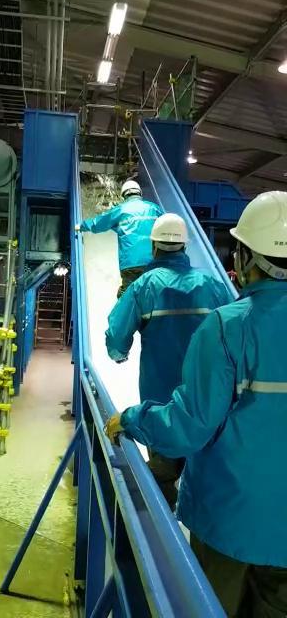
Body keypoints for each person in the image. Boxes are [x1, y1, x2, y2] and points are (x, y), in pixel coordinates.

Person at [105, 190, 287, 617]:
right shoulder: (213, 291)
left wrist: (133, 418)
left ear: (244, 257)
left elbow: (191, 424)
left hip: (230, 518)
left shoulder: (230, 325)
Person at [105, 213, 231, 509]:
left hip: (159, 403)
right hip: (207, 403)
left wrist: (119, 354)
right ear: (186, 248)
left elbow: (116, 337)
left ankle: (162, 535)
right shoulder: (213, 285)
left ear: (153, 248)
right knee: (204, 471)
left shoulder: (143, 287)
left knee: (161, 475)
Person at [76, 180, 162, 297]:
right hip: (155, 261)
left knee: (126, 296)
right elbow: (168, 227)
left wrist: (81, 226)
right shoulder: (154, 208)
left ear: (124, 195)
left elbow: (98, 224)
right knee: (153, 293)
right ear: (139, 193)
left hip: (130, 263)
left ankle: (126, 313)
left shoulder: (121, 210)